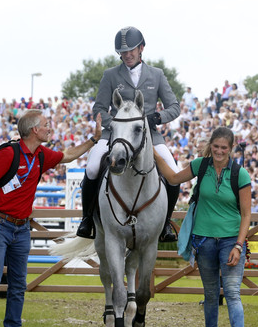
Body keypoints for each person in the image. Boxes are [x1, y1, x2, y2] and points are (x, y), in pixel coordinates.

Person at [0, 109, 102, 327]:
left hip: (21, 228)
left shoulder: (40, 154)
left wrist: (94, 139)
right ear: (35, 130)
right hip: (0, 225)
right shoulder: (9, 153)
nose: (50, 128)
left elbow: (67, 155)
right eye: (46, 125)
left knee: (18, 285)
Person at [155, 127, 252, 327]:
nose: (219, 151)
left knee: (231, 292)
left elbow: (247, 215)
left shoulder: (240, 175)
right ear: (211, 145)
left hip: (231, 241)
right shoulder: (201, 165)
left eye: (224, 148)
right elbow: (173, 178)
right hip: (204, 240)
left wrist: (239, 246)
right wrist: (155, 155)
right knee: (210, 295)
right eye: (216, 147)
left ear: (231, 149)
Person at [76, 26, 181, 242]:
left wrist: (157, 118)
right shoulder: (110, 75)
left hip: (148, 135)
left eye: (131, 50)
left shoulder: (157, 75)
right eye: (123, 52)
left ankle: (166, 223)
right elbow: (99, 109)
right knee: (93, 166)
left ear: (141, 48)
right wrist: (117, 124)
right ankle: (87, 219)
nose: (128, 55)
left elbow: (174, 107)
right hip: (114, 135)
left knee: (174, 171)